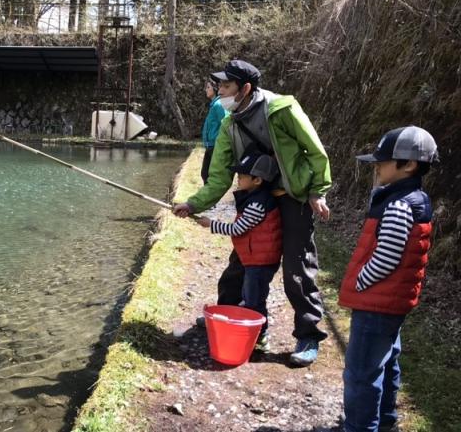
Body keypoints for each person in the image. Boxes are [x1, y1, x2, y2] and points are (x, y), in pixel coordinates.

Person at [173, 59, 332, 366]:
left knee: (297, 268)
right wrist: (193, 204)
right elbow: (219, 177)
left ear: (245, 88)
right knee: (242, 259)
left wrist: (317, 190)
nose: (220, 91)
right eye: (219, 85)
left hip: (293, 198)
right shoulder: (229, 124)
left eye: (226, 86)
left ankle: (308, 334)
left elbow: (314, 150)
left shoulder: (282, 109)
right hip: (256, 199)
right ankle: (226, 314)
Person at [339, 126, 438, 432]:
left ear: (409, 165)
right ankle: (384, 422)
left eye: (383, 161)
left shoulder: (398, 205)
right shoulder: (411, 198)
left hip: (377, 303)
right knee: (386, 362)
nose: (377, 167)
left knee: (361, 373)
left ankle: (359, 427)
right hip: (390, 302)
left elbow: (387, 257)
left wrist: (360, 282)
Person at [195, 152, 281, 352]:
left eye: (242, 176)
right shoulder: (254, 197)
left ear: (257, 180)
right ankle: (242, 325)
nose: (238, 179)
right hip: (255, 258)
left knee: (254, 299)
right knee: (248, 294)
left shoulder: (257, 203)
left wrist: (211, 224)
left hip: (260, 262)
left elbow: (238, 229)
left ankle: (260, 335)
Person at [201, 77, 225, 183]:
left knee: (209, 175)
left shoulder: (219, 105)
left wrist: (219, 142)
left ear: (215, 88)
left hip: (215, 146)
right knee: (205, 174)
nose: (206, 90)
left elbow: (225, 124)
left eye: (208, 87)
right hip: (210, 146)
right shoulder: (214, 104)